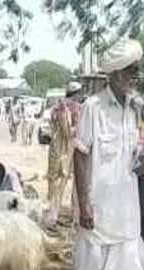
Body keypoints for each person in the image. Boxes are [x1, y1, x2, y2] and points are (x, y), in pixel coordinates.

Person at [73, 38, 144, 270]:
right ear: (116, 73)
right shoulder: (93, 107)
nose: (135, 77)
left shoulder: (136, 109)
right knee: (88, 263)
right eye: (131, 71)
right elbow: (80, 156)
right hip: (98, 202)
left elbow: (136, 157)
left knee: (121, 263)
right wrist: (83, 203)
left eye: (137, 71)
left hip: (125, 204)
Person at [46, 81, 84, 228]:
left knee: (56, 186)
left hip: (56, 150)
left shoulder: (57, 107)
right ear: (76, 93)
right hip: (68, 150)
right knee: (76, 184)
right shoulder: (75, 108)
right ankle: (75, 217)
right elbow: (69, 132)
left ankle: (53, 217)